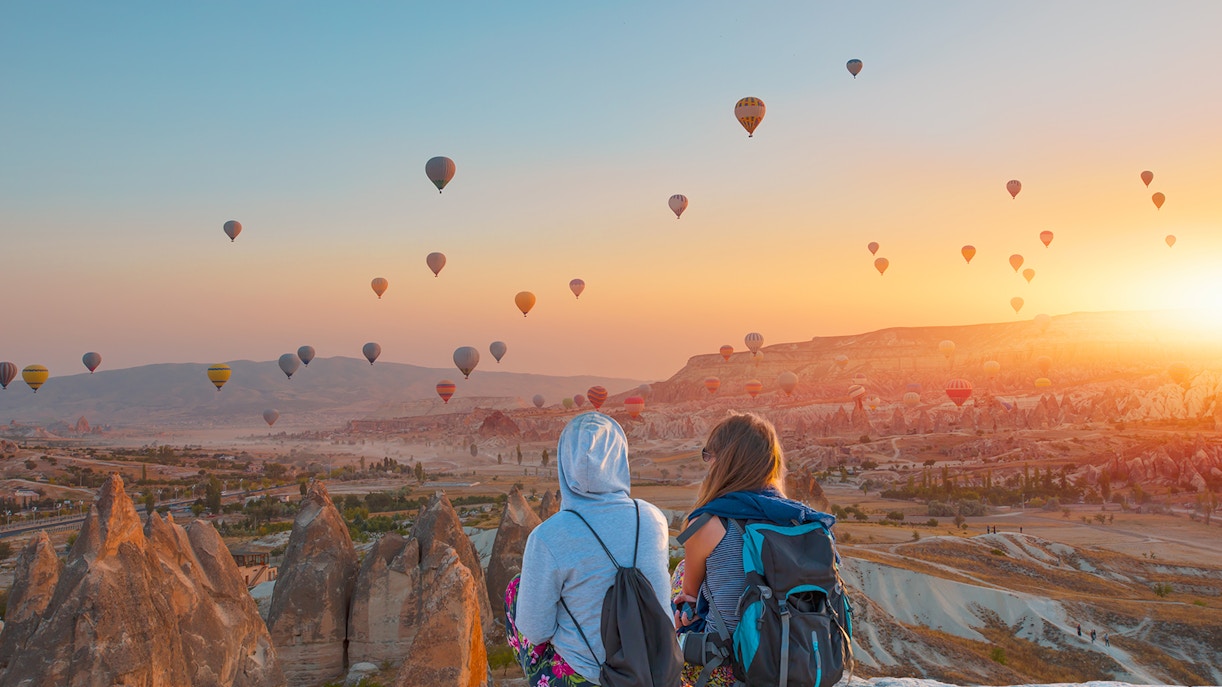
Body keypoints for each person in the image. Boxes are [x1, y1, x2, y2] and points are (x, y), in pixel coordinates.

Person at [505, 411, 673, 686]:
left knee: (516, 589)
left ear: (563, 464)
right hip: (654, 666)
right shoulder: (652, 518)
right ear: (620, 458)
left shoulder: (548, 536)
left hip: (588, 675)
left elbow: (536, 630)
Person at [671, 413, 836, 687]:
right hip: (802, 662)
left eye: (707, 455)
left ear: (723, 460)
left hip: (727, 666)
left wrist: (687, 611)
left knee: (680, 574)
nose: (707, 463)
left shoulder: (705, 522)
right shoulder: (804, 521)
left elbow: (689, 593)